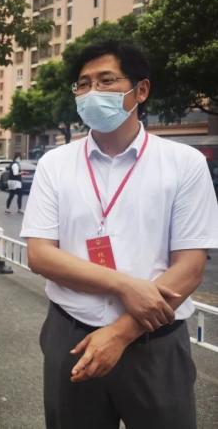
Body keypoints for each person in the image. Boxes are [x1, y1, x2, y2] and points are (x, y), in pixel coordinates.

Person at [21, 40, 218, 429]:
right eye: (83, 84)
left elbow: (190, 267)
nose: (92, 92)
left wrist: (120, 333)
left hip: (154, 342)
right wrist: (124, 285)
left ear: (140, 91)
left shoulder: (184, 164)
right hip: (71, 336)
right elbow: (41, 254)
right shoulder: (55, 164)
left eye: (106, 80)